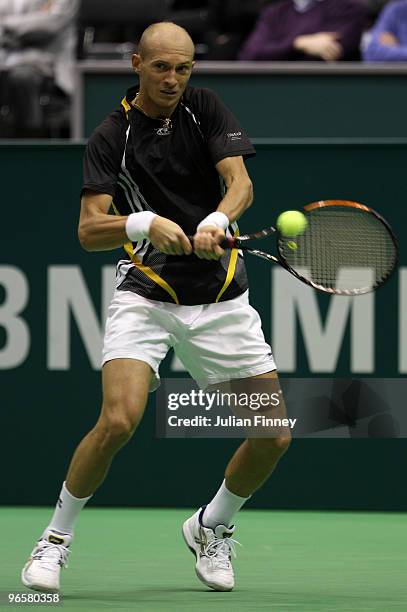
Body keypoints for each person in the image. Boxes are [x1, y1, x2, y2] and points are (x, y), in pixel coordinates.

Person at [21, 21, 291, 594]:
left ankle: (211, 526)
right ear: (137, 63)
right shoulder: (109, 136)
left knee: (273, 436)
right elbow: (89, 229)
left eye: (184, 68)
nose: (173, 79)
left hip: (220, 299)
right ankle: (54, 540)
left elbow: (239, 182)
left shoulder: (205, 108)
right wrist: (142, 223)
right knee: (119, 419)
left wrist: (217, 218)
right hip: (147, 295)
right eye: (162, 67)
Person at [0, 0, 79, 138]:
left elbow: (49, 24)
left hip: (47, 66)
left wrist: (5, 24)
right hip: (5, 62)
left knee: (22, 78)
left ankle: (30, 144)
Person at [238, 0, 366, 62]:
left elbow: (330, 52)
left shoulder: (349, 8)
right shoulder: (275, 13)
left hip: (327, 94)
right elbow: (250, 55)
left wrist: (276, 50)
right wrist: (298, 43)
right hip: (275, 91)